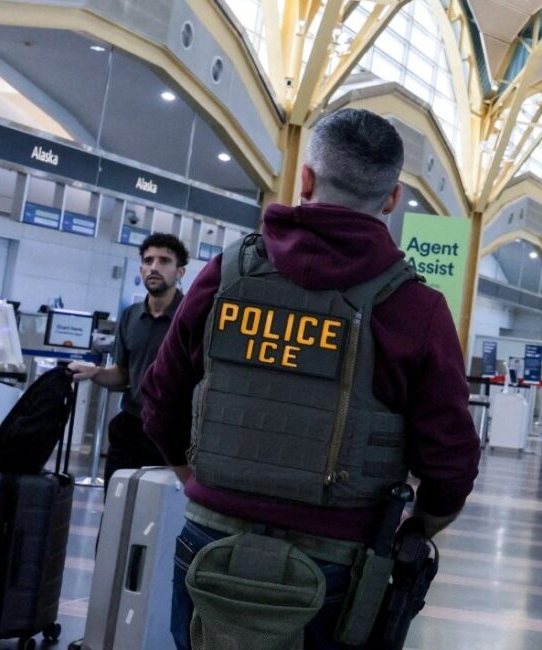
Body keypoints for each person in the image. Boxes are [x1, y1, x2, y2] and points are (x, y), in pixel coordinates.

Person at [140, 108, 480, 649]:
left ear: (305, 179)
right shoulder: (416, 307)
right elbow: (452, 460)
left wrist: (195, 480)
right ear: (392, 199)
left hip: (210, 540)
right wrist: (421, 528)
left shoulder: (225, 273)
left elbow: (159, 399)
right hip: (334, 563)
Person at [69, 232, 188, 484]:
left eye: (164, 261)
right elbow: (123, 374)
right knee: (114, 505)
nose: (154, 267)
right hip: (131, 426)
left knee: (155, 513)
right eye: (148, 260)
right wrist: (96, 373)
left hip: (172, 433)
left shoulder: (192, 317)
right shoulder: (131, 316)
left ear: (180, 272)